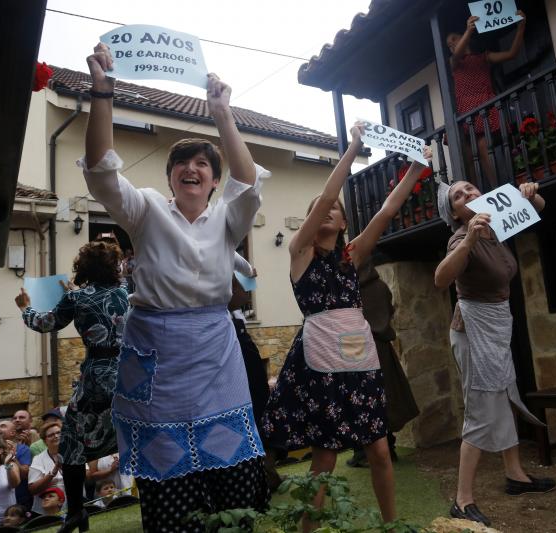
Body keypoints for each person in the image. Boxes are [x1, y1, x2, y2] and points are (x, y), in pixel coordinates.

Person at [82, 43, 269, 533]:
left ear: (212, 182)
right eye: (182, 162)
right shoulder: (144, 209)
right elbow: (102, 170)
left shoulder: (229, 218)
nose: (193, 167)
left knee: (233, 476)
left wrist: (222, 114)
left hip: (215, 353)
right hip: (155, 353)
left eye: (204, 165)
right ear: (170, 178)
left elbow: (249, 184)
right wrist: (103, 90)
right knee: (169, 490)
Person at [261, 122, 431, 531]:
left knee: (379, 450)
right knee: (324, 458)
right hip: (321, 363)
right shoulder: (300, 253)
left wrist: (415, 168)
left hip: (360, 361)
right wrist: (353, 146)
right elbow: (328, 196)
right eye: (319, 208)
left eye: (333, 210)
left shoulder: (350, 257)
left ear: (342, 225)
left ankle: (391, 526)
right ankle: (308, 529)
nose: (326, 209)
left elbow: (388, 211)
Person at [434, 179, 554, 526]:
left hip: (498, 324)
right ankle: (462, 499)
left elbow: (540, 208)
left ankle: (515, 474)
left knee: (505, 395)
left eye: (470, 188)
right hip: (472, 331)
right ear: (455, 213)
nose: (468, 194)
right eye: (458, 196)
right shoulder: (461, 237)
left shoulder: (498, 222)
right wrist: (469, 237)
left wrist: (531, 193)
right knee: (482, 407)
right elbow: (441, 279)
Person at [15, 240, 128, 533]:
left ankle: (77, 512)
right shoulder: (128, 290)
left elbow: (45, 322)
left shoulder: (77, 298)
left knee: (71, 442)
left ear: (83, 268)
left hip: (97, 378)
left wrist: (25, 308)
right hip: (131, 373)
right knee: (135, 432)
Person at [347, 261, 419, 468]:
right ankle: (389, 447)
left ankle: (363, 453)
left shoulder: (349, 289)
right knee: (386, 397)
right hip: (381, 348)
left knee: (363, 401)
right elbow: (389, 310)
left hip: (358, 349)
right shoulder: (381, 287)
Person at [447, 13, 526, 187]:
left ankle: (498, 188)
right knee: (467, 154)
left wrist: (521, 27)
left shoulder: (484, 57)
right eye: (449, 44)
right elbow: (458, 53)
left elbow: (512, 53)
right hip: (467, 114)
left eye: (454, 38)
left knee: (483, 145)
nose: (451, 43)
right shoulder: (454, 62)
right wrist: (468, 31)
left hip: (485, 110)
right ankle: (473, 197)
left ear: (463, 37)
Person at [228, 257, 281, 490]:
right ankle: (259, 476)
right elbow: (242, 265)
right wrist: (248, 270)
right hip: (231, 338)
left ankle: (265, 473)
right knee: (253, 406)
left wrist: (248, 270)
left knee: (258, 405)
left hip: (237, 337)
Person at [27, 421, 64, 516]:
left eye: (58, 433)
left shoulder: (73, 452)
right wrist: (52, 474)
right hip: (47, 512)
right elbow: (32, 489)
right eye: (51, 435)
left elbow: (88, 476)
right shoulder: (38, 459)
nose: (56, 436)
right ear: (45, 441)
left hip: (74, 504)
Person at [0, 421, 31, 511]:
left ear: (13, 433)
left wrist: (12, 456)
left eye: (3, 426)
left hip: (19, 501)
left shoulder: (22, 449)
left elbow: (25, 474)